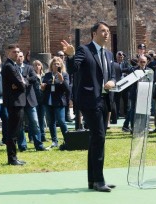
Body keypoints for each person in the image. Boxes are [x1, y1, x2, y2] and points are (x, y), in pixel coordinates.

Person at [62, 21, 116, 192]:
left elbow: (113, 74)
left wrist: (112, 81)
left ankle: (93, 180)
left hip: (105, 100)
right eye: (103, 31)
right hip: (89, 101)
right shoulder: (84, 50)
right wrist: (70, 56)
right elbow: (73, 69)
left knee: (96, 139)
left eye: (108, 31)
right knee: (99, 137)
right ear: (94, 34)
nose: (106, 34)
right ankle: (99, 180)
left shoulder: (108, 54)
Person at [2, 44, 27, 165]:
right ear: (8, 53)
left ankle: (14, 157)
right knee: (12, 131)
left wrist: (22, 83)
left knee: (16, 131)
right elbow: (21, 84)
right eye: (13, 52)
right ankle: (12, 158)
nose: (16, 54)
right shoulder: (9, 66)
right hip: (14, 102)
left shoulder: (14, 66)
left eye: (18, 52)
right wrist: (22, 83)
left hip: (18, 101)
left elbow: (22, 82)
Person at [16, 51, 45, 151]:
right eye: (18, 56)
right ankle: (22, 145)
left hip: (30, 100)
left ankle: (39, 145)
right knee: (20, 125)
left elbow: (34, 78)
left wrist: (24, 81)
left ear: (23, 57)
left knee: (35, 123)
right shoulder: (13, 68)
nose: (19, 58)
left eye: (21, 56)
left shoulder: (29, 68)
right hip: (19, 100)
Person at [41, 57, 70, 149]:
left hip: (59, 102)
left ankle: (68, 140)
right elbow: (44, 86)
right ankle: (54, 141)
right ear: (51, 65)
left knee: (61, 121)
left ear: (61, 65)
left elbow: (67, 89)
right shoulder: (47, 75)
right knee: (51, 122)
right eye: (54, 64)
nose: (56, 65)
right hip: (48, 101)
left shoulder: (64, 75)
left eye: (58, 64)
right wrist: (42, 87)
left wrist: (62, 80)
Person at [32, 60, 47, 142]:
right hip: (34, 99)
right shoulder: (32, 76)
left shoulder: (44, 76)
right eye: (35, 65)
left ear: (41, 66)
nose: (37, 66)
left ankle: (43, 135)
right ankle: (32, 137)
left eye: (39, 65)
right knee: (34, 120)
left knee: (41, 118)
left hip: (42, 99)